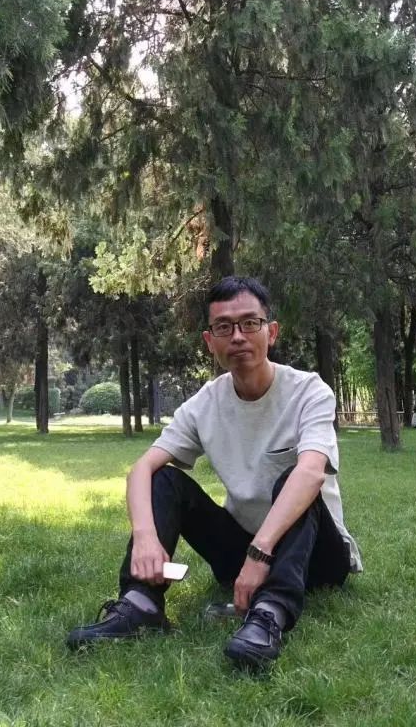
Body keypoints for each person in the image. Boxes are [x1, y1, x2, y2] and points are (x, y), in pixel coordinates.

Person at [66, 276, 362, 669]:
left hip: (318, 558)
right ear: (210, 341)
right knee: (163, 478)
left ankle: (269, 614)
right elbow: (141, 469)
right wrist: (146, 538)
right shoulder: (205, 404)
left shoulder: (309, 391)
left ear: (271, 332)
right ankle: (140, 604)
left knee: (294, 479)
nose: (238, 336)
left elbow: (310, 474)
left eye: (250, 323)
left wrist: (259, 554)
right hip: (242, 551)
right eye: (224, 327)